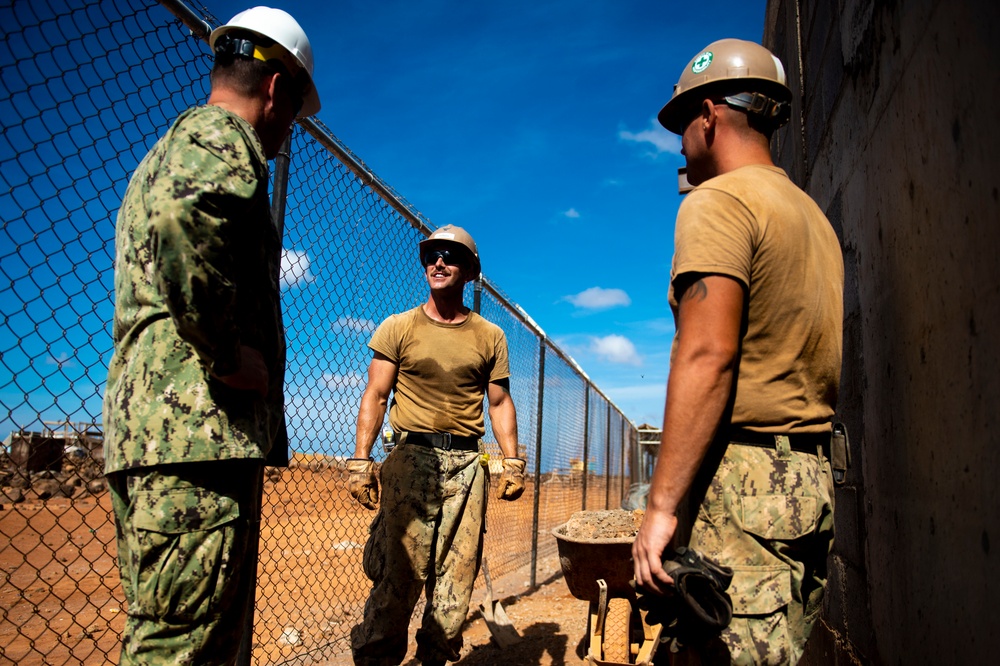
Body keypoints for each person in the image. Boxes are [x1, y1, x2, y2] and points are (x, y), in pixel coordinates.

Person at [101, 7, 320, 664]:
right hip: (194, 435)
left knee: (201, 639)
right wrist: (224, 353)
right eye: (293, 115)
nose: (287, 134)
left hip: (176, 438)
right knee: (179, 647)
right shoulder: (221, 136)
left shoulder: (178, 143)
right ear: (277, 89)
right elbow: (183, 219)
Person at [632, 39, 844, 665]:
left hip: (743, 489)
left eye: (682, 123)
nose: (678, 142)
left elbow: (707, 355)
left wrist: (661, 507)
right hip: (808, 485)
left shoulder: (718, 201)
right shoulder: (812, 218)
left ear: (710, 115)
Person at [348, 224, 526, 666]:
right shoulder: (399, 326)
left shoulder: (489, 336)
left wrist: (513, 460)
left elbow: (499, 402)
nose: (439, 262)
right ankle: (376, 658)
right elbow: (375, 393)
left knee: (455, 582)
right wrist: (359, 460)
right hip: (412, 459)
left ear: (469, 271)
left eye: (450, 255)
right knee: (397, 578)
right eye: (432, 255)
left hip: (468, 465)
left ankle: (435, 658)